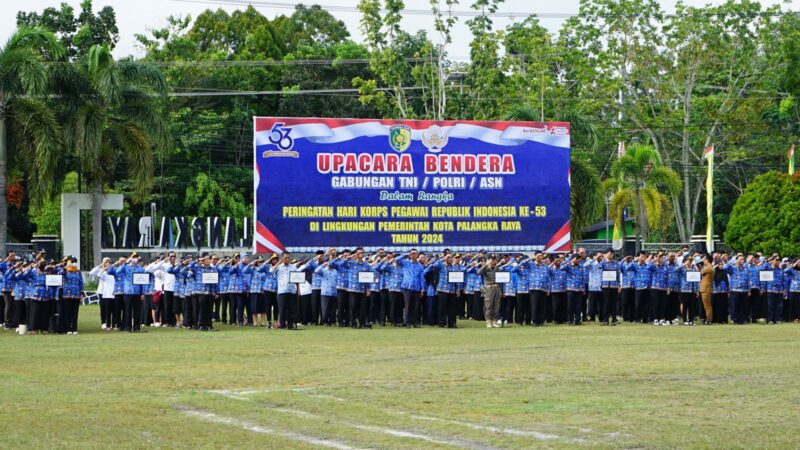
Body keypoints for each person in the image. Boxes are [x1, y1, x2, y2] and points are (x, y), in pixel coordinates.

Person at [395, 249, 425, 328]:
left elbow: (422, 278)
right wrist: (405, 254)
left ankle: (415, 322)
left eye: (415, 253)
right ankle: (407, 322)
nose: (413, 255)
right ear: (410, 254)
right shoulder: (406, 262)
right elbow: (397, 259)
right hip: (407, 287)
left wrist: (422, 289)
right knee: (408, 305)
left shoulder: (420, 266)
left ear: (417, 255)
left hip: (417, 287)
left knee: (416, 305)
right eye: (412, 254)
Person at [271, 252, 299, 329]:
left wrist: (298, 289)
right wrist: (279, 262)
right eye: (285, 258)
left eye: (288, 258)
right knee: (282, 308)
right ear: (282, 258)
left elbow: (297, 278)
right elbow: (271, 271)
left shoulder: (293, 267)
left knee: (291, 309)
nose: (287, 259)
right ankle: (282, 325)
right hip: (282, 290)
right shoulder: (279, 267)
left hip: (291, 290)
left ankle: (290, 325)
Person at [724, 255, 751, 325]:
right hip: (735, 290)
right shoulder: (733, 268)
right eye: (740, 259)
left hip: (744, 290)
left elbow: (748, 279)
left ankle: (742, 319)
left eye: (743, 259)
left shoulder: (745, 269)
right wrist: (732, 262)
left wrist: (749, 289)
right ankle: (735, 319)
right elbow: (725, 268)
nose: (742, 261)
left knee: (743, 306)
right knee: (734, 305)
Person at [477, 255, 502, 328]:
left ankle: (494, 321)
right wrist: (486, 264)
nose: (493, 261)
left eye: (494, 259)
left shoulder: (497, 268)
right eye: (492, 259)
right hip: (488, 287)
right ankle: (488, 321)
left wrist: (500, 290)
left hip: (496, 287)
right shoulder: (486, 268)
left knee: (496, 305)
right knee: (489, 305)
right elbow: (478, 272)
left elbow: (500, 279)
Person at [90, 258, 115, 330]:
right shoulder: (101, 270)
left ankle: (110, 323)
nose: (107, 264)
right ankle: (103, 322)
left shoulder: (111, 271)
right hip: (102, 292)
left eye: (108, 262)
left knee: (109, 308)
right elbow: (92, 272)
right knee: (103, 308)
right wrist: (101, 266)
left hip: (109, 292)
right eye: (106, 262)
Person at [61, 256, 83, 334]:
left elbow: (81, 282)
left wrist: (81, 293)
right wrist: (67, 266)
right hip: (67, 294)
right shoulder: (65, 271)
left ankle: (74, 328)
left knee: (75, 313)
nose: (73, 263)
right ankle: (68, 328)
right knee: (67, 312)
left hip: (76, 294)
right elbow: (60, 274)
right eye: (72, 261)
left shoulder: (78, 272)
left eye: (74, 262)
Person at [763, 256, 786, 324]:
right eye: (776, 260)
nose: (778, 261)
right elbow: (762, 267)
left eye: (779, 260)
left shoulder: (781, 270)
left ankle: (777, 319)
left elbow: (783, 280)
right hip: (771, 289)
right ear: (772, 261)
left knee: (779, 306)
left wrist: (784, 289)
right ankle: (770, 320)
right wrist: (769, 260)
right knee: (771, 306)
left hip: (779, 290)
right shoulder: (769, 268)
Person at [698, 254, 715, 324]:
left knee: (707, 305)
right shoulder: (710, 268)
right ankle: (707, 318)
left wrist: (700, 261)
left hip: (706, 288)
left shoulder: (708, 268)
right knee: (706, 305)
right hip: (706, 288)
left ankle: (709, 319)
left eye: (705, 259)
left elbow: (700, 272)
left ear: (707, 260)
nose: (703, 261)